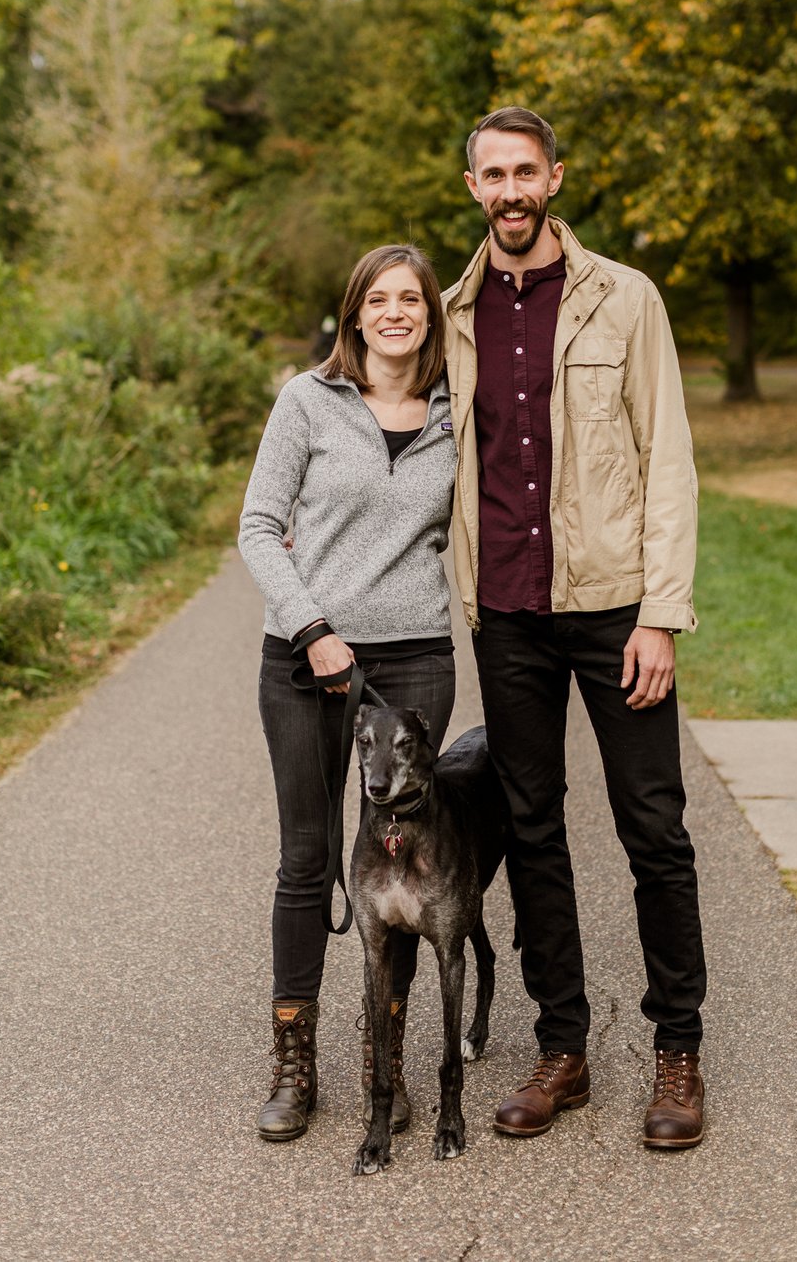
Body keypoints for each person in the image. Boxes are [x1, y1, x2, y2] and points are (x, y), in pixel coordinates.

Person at [442, 107, 707, 1148]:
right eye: (492, 175)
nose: (510, 191)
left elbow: (670, 462)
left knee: (654, 829)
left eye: (525, 172)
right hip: (506, 611)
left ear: (556, 177)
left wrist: (660, 615)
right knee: (531, 829)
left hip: (612, 611)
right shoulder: (455, 311)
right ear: (472, 188)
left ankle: (676, 1050)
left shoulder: (624, 300)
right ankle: (564, 1047)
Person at [239, 244, 457, 1143]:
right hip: (305, 662)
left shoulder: (457, 410)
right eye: (380, 299)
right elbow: (257, 527)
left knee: (401, 862)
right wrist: (313, 629)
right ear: (354, 313)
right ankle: (295, 1059)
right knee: (307, 858)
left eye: (412, 299)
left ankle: (387, 1057)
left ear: (430, 316)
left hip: (413, 669)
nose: (397, 312)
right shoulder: (307, 401)